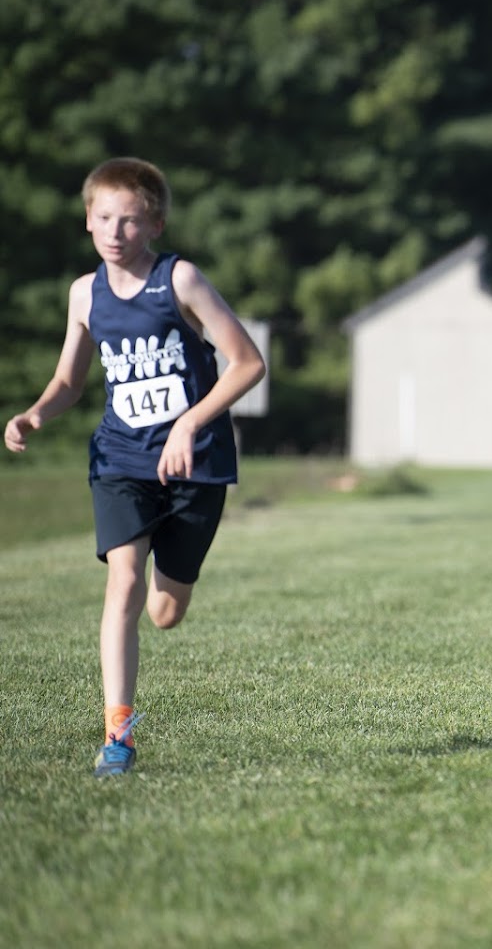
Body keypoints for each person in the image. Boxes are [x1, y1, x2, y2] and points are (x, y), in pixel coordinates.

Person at [4, 158, 266, 776]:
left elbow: (248, 363)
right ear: (87, 221)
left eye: (129, 220)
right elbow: (70, 381)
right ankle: (117, 737)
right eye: (103, 219)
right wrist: (36, 413)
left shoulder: (181, 280)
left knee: (164, 613)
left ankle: (170, 586)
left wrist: (190, 423)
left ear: (155, 224)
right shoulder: (84, 294)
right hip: (120, 459)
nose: (115, 232)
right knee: (122, 582)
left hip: (194, 464)